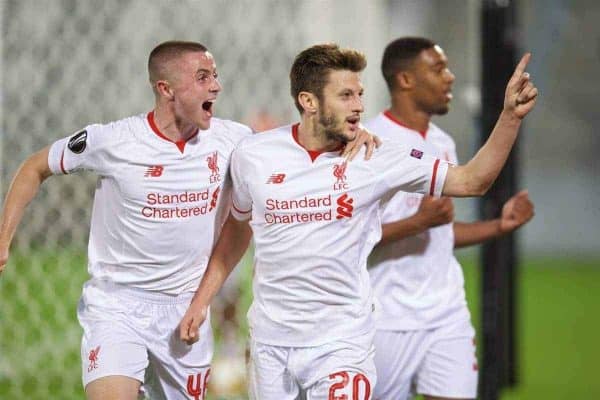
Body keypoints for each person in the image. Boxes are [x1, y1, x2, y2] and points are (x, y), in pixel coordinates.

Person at [178, 43, 537, 400]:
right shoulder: (254, 156)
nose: (359, 106)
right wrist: (201, 302)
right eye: (346, 95)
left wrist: (509, 118)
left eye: (360, 94)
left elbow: (472, 181)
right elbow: (237, 230)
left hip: (343, 343)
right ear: (309, 101)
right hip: (271, 342)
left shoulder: (375, 157)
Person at [0, 40, 254, 400]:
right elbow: (34, 167)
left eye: (214, 75)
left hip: (186, 309)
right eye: (202, 77)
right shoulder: (114, 141)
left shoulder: (235, 142)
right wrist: (3, 238)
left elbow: (241, 225)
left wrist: (202, 300)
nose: (216, 85)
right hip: (117, 305)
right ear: (166, 89)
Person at [365, 37, 535, 400]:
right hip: (386, 320)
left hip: (446, 315)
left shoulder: (441, 141)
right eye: (438, 68)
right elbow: (345, 236)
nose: (450, 78)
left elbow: (439, 233)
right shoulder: (369, 143)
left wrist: (498, 226)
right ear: (405, 79)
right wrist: (417, 223)